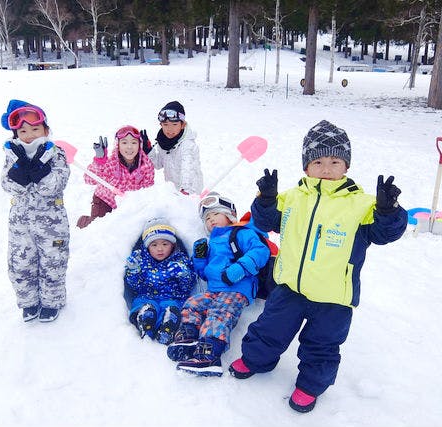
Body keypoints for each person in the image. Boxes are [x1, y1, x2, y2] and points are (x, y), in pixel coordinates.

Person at [227, 120, 408, 413]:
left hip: (333, 297)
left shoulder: (361, 205)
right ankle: (256, 359)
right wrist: (266, 200)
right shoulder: (293, 197)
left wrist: (389, 211)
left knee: (322, 345)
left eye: (335, 161)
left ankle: (310, 386)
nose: (326, 168)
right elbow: (264, 222)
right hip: (289, 287)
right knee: (270, 327)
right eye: (318, 161)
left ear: (346, 166)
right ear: (306, 166)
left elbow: (385, 233)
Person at [166, 193, 271, 376]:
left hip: (237, 289)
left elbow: (260, 251)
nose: (211, 220)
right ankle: (189, 336)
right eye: (207, 218)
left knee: (219, 313)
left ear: (230, 214)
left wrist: (239, 268)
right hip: (214, 290)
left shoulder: (242, 232)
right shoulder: (212, 243)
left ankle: (210, 354)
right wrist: (199, 259)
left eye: (216, 214)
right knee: (193, 304)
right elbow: (204, 274)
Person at [0, 99, 70, 322]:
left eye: (35, 129)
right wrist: (18, 174)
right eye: (22, 130)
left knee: (53, 262)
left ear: (46, 130)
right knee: (20, 264)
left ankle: (51, 302)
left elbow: (55, 185)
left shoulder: (55, 153)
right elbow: (6, 185)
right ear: (15, 133)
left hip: (52, 224)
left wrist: (40, 171)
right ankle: (28, 302)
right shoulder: (12, 155)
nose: (29, 134)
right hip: (21, 223)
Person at [124, 218, 197, 345]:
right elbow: (135, 286)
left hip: (171, 297)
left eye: (165, 244)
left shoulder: (180, 260)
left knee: (171, 309)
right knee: (145, 306)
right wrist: (133, 271)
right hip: (146, 296)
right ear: (147, 247)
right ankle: (144, 321)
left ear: (173, 245)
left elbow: (187, 287)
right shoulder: (142, 261)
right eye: (154, 245)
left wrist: (184, 274)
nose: (160, 249)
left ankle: (166, 328)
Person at [77, 125, 155, 228]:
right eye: (124, 142)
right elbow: (89, 179)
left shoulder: (146, 165)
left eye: (134, 142)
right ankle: (84, 221)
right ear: (118, 145)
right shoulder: (110, 162)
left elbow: (149, 189)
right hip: (105, 201)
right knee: (99, 228)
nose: (129, 147)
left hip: (129, 203)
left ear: (139, 145)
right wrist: (99, 162)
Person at [140, 101, 203, 195]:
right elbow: (158, 164)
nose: (170, 129)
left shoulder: (187, 146)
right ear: (161, 125)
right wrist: (148, 150)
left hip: (190, 193)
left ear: (183, 125)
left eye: (174, 125)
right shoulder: (164, 143)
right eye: (165, 125)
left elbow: (188, 169)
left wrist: (186, 190)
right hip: (173, 191)